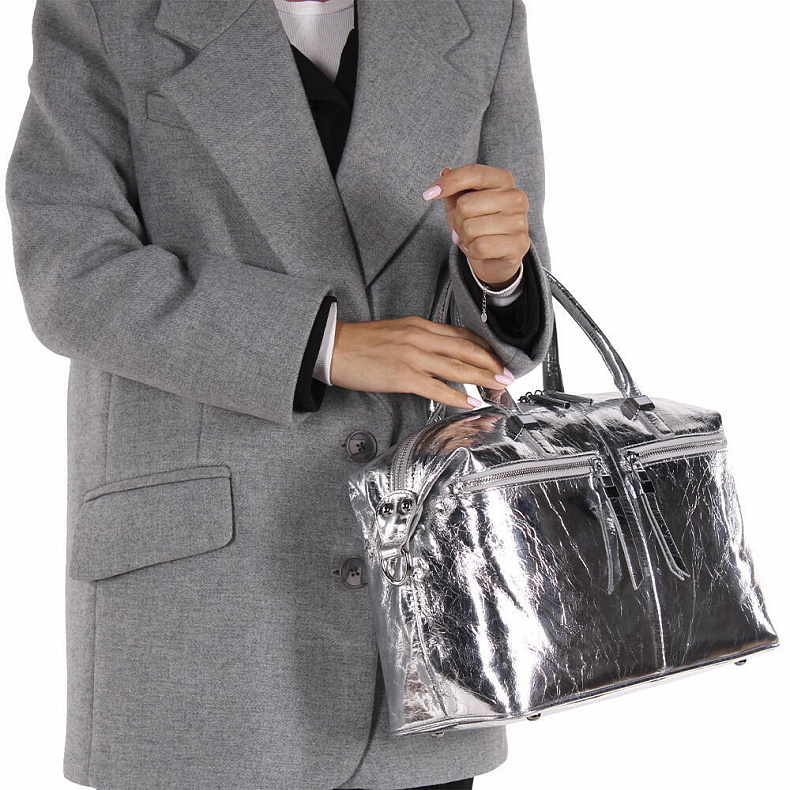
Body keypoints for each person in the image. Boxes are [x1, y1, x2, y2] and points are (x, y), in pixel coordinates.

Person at [5, 0, 555, 788]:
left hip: (421, 594)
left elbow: (501, 343)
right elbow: (71, 274)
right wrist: (323, 344)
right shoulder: (104, 12)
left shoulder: (478, 15)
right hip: (206, 595)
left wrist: (501, 277)